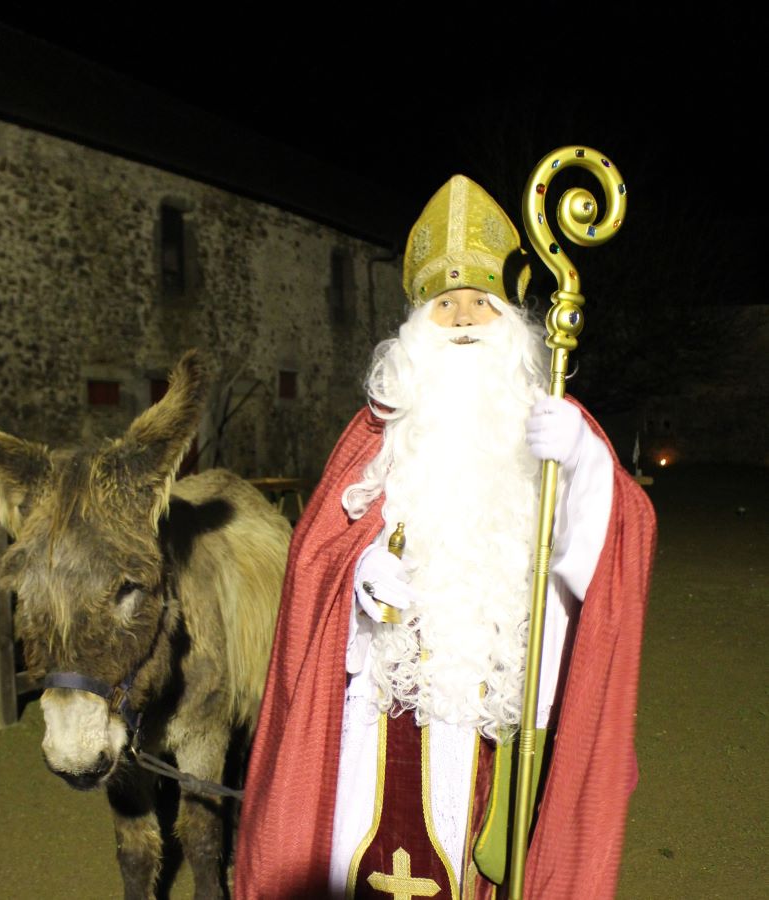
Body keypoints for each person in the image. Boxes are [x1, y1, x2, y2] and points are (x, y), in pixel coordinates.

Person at [234, 176, 656, 899]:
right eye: (445, 304)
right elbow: (316, 563)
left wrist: (587, 465)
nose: (463, 318)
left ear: (509, 322)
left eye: (481, 304)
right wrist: (361, 576)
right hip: (380, 711)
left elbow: (620, 550)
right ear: (417, 328)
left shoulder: (551, 430)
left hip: (491, 717)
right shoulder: (381, 432)